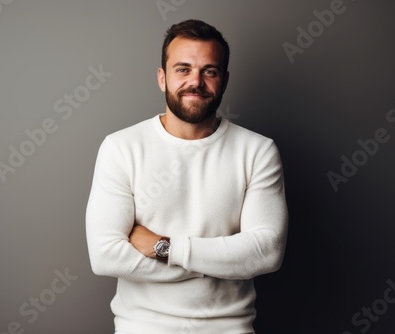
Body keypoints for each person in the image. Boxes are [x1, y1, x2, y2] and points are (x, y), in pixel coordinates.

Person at [86, 19, 288, 334]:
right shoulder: (121, 147)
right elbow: (105, 256)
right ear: (162, 78)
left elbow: (266, 252)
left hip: (230, 328)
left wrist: (164, 247)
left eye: (209, 71)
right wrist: (217, 263)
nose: (196, 81)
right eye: (183, 69)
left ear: (224, 80)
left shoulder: (258, 151)